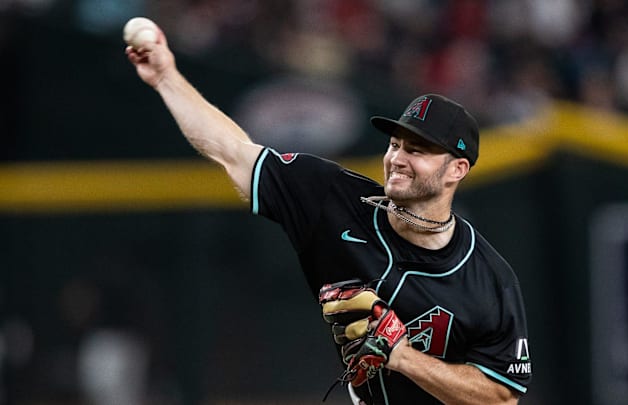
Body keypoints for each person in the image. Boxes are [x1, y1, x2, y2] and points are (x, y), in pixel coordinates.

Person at [126, 25, 532, 405]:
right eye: (395, 144)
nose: (398, 159)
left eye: (418, 150)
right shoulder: (331, 198)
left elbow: (502, 396)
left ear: (457, 170)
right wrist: (166, 77)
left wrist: (402, 356)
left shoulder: (491, 281)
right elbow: (231, 150)